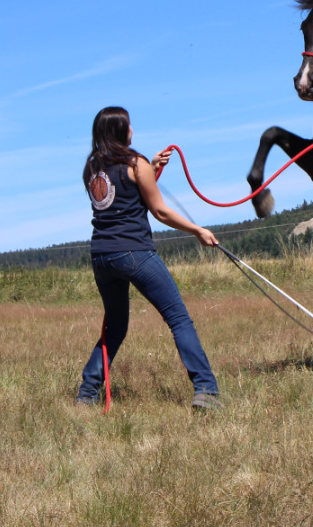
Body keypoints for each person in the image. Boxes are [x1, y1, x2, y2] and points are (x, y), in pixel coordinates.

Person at [76, 106, 221, 411]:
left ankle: (87, 395)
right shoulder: (134, 162)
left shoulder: (91, 169)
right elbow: (159, 210)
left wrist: (151, 167)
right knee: (178, 318)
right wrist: (197, 230)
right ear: (120, 130)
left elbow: (122, 194)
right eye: (128, 125)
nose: (132, 130)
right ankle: (206, 390)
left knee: (114, 327)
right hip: (135, 252)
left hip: (101, 257)